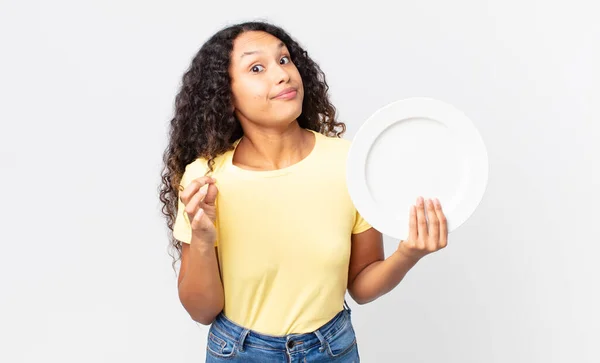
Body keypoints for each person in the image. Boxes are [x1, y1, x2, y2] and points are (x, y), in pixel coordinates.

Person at [159, 20, 448, 362]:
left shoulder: (349, 163)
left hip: (332, 349)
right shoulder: (205, 179)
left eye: (284, 60)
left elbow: (361, 285)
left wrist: (408, 254)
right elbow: (202, 311)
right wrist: (203, 241)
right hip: (239, 353)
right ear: (226, 93)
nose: (281, 74)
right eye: (256, 68)